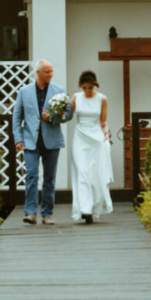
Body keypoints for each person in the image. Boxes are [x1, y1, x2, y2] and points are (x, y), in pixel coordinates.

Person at [12, 59, 67, 226]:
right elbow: (17, 117)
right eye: (47, 72)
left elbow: (67, 115)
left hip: (52, 141)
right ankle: (30, 213)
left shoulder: (59, 91)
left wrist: (51, 117)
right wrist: (18, 139)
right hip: (30, 141)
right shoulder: (24, 91)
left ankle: (47, 214)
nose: (51, 74)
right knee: (31, 176)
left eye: (51, 71)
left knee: (49, 179)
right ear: (38, 73)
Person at [68, 70, 114, 224]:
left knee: (94, 174)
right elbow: (67, 115)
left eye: (90, 88)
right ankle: (84, 209)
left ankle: (93, 209)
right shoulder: (76, 97)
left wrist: (106, 135)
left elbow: (103, 121)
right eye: (84, 88)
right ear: (81, 86)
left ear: (95, 85)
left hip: (95, 137)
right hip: (80, 136)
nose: (87, 91)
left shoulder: (102, 99)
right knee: (82, 170)